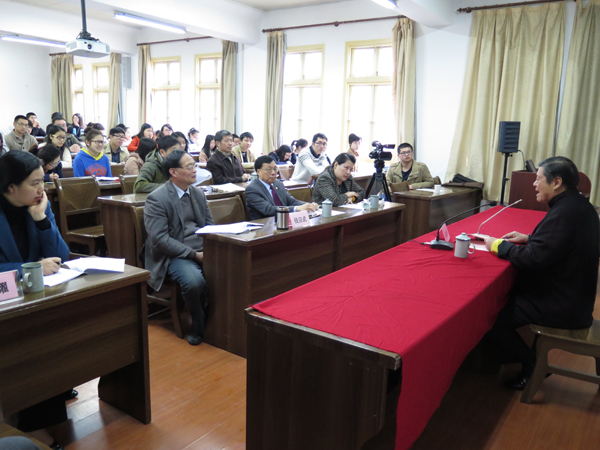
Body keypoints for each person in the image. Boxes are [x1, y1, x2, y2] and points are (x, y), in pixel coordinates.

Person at [483, 156, 600, 391]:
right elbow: (564, 243)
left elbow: (532, 259)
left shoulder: (564, 212)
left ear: (556, 182)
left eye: (538, 179)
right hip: (575, 296)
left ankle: (533, 364)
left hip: (562, 305)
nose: (534, 184)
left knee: (490, 317)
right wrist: (530, 238)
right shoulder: (580, 205)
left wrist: (497, 245)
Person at [0, 151, 71, 450]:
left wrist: (41, 220)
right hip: (6, 300)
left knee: (59, 327)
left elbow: (61, 255)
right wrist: (29, 268)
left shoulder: (39, 205)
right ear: (11, 187)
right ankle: (31, 423)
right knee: (33, 340)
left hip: (36, 296)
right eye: (34, 183)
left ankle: (53, 396)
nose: (42, 189)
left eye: (43, 181)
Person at [144, 150, 214, 345]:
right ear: (173, 172)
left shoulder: (197, 193)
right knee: (194, 282)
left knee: (233, 270)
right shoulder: (157, 198)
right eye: (189, 167)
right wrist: (194, 255)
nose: (195, 170)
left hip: (201, 248)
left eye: (195, 165)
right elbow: (160, 239)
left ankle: (217, 320)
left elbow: (210, 226)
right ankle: (198, 326)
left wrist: (215, 249)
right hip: (173, 254)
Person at [245, 155, 319, 220]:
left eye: (275, 169)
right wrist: (297, 209)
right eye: (269, 169)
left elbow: (292, 201)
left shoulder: (278, 184)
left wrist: (309, 205)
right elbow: (268, 210)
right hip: (265, 225)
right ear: (258, 172)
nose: (273, 172)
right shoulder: (252, 189)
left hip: (284, 221)